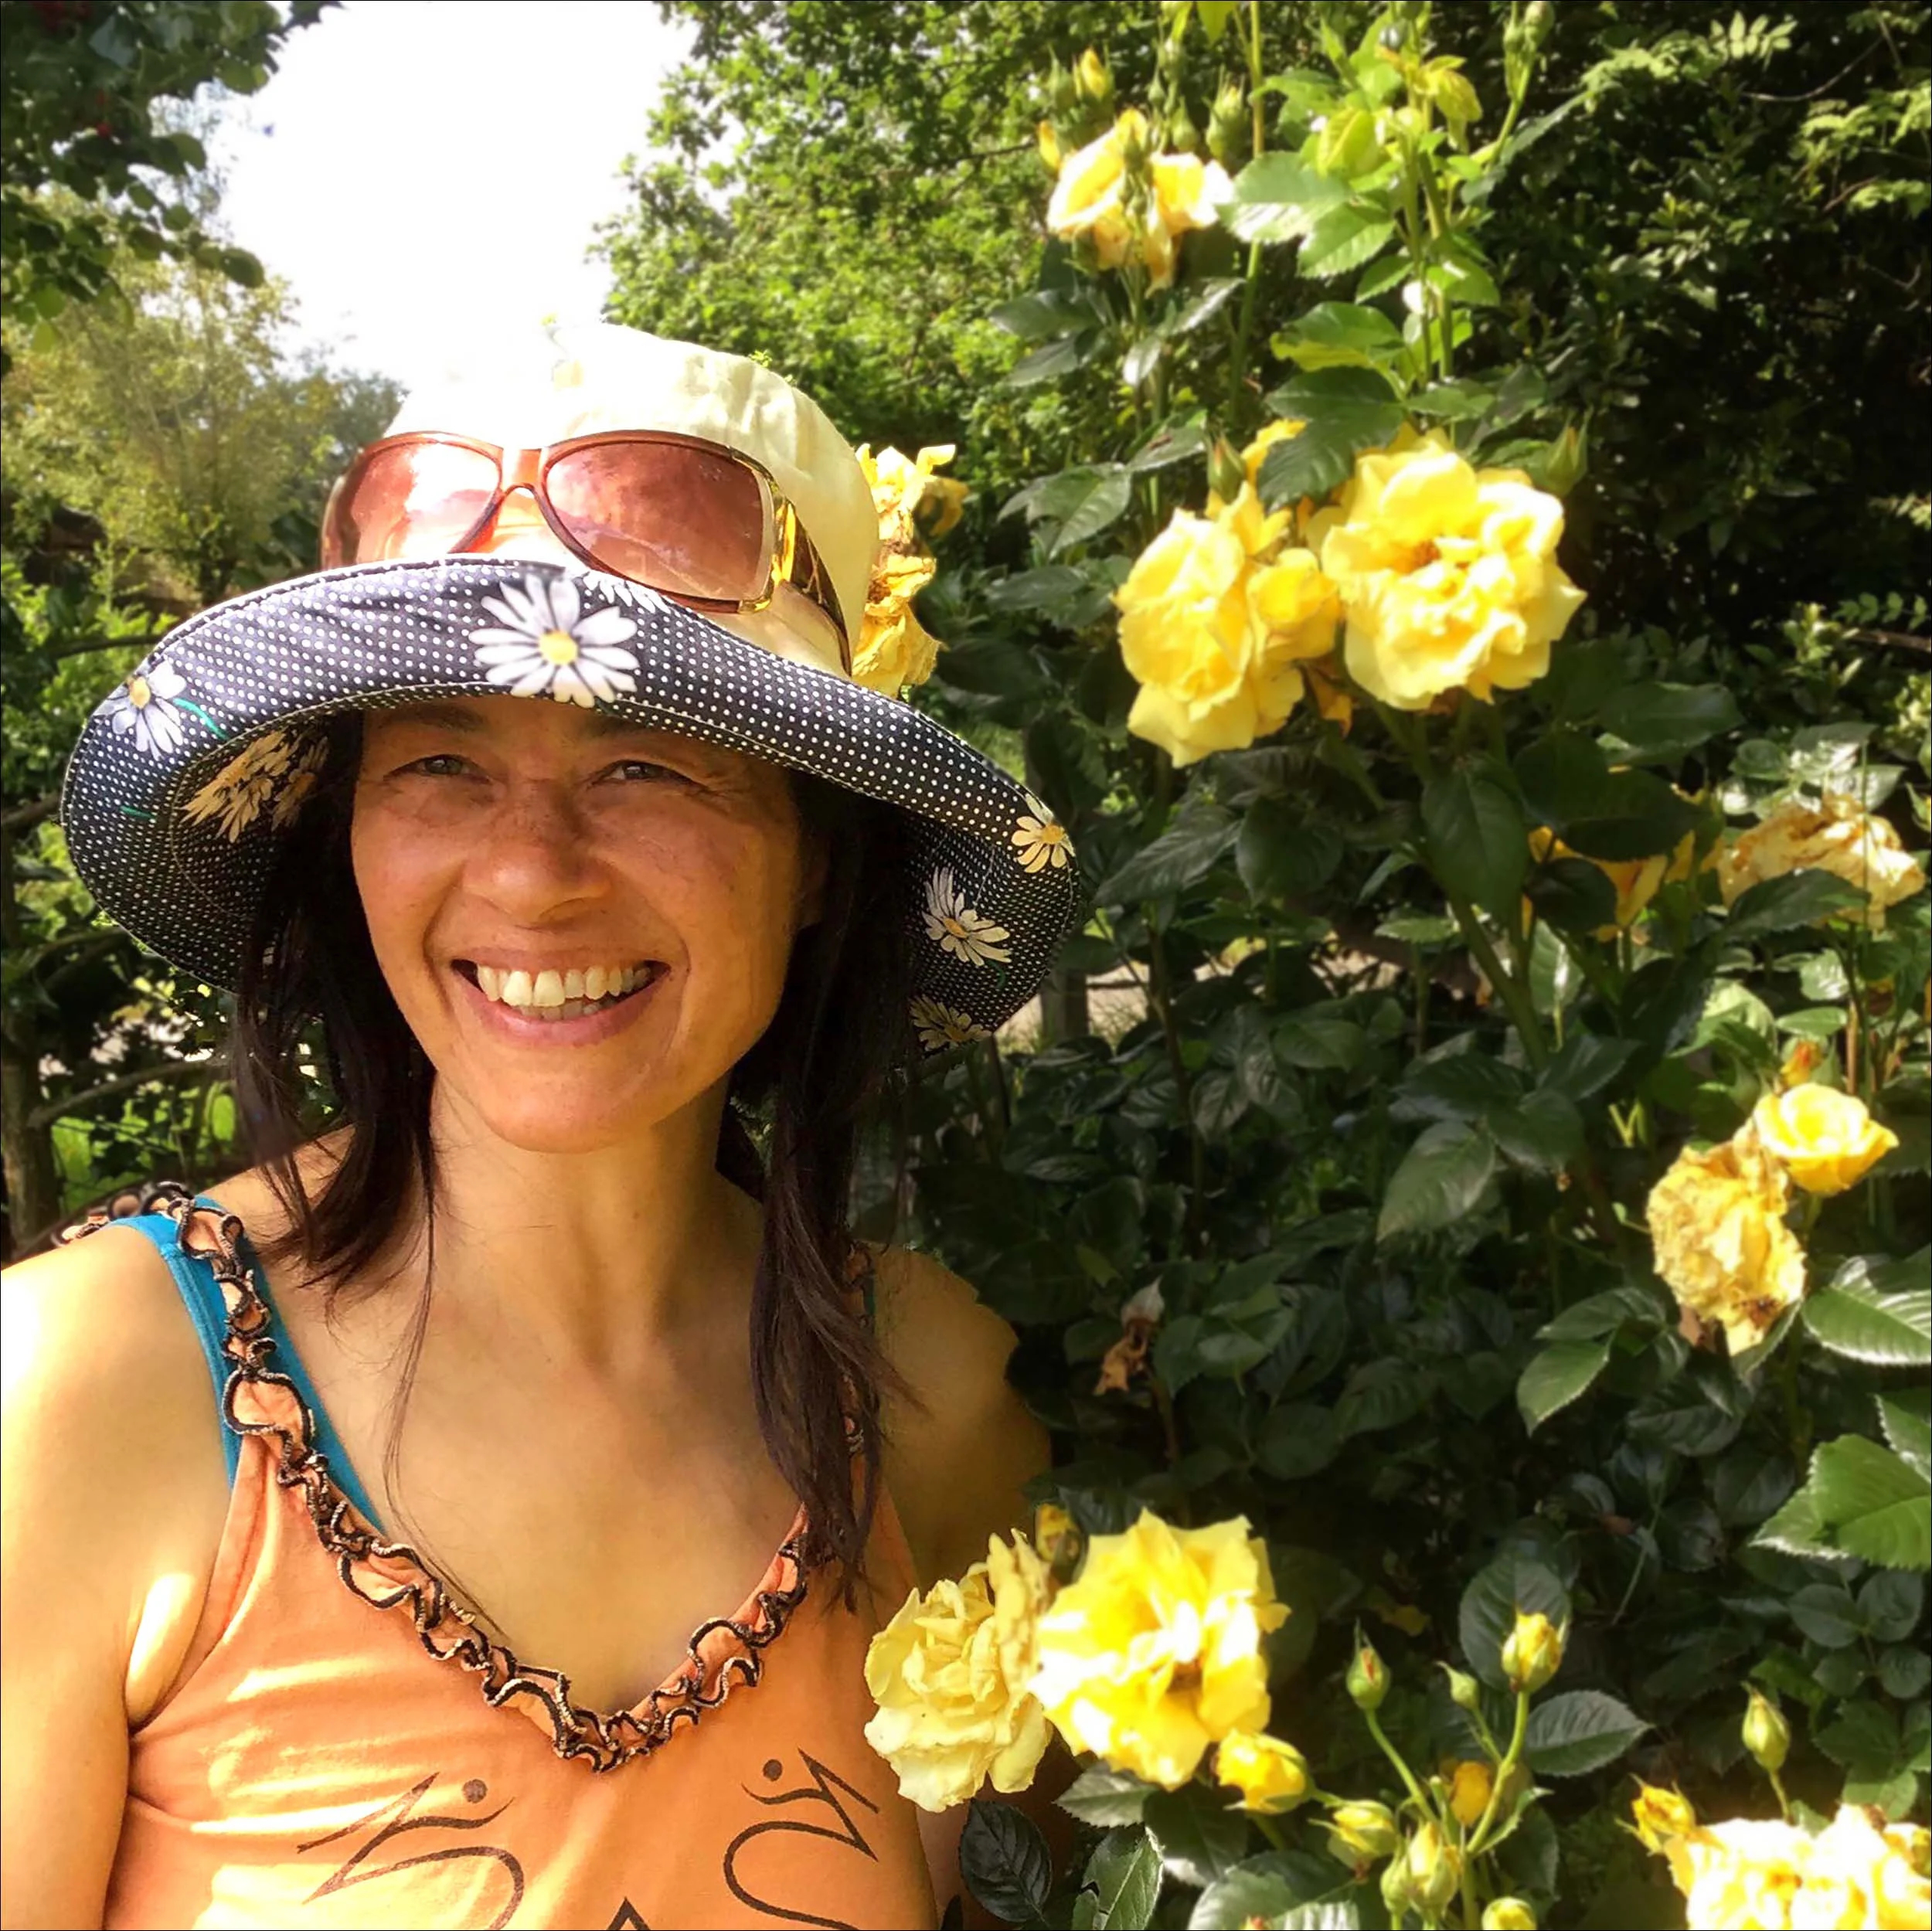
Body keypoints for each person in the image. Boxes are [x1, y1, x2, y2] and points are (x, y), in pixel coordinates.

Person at [2, 323, 1083, 1930]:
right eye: (439, 760)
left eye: (651, 765)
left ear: (819, 865)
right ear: (342, 833)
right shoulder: (79, 1391)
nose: (530, 874)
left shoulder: (935, 1401)